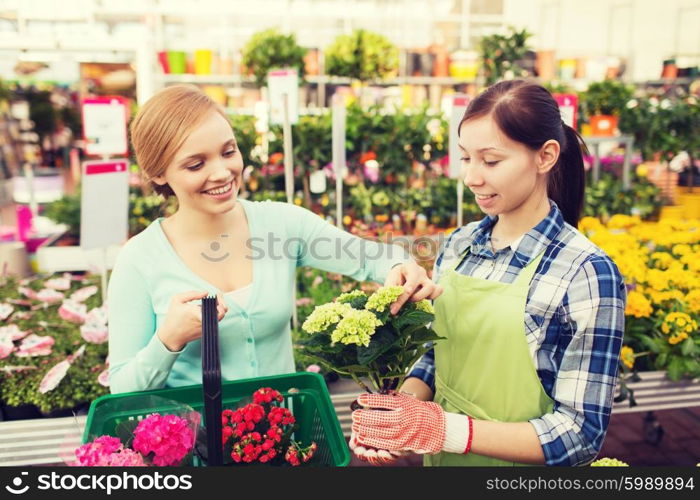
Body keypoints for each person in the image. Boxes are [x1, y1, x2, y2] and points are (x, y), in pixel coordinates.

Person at [350, 79, 627, 466]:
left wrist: (442, 429)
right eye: (466, 158)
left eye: (491, 161)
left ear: (545, 156)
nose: (472, 177)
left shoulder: (586, 273)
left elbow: (579, 434)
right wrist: (401, 416)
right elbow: (439, 356)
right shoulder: (459, 245)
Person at [108, 85, 441, 394]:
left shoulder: (279, 225)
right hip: (197, 448)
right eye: (196, 164)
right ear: (158, 173)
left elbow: (368, 257)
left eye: (228, 152)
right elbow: (122, 389)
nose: (222, 173)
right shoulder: (140, 259)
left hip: (285, 441)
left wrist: (401, 265)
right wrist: (168, 340)